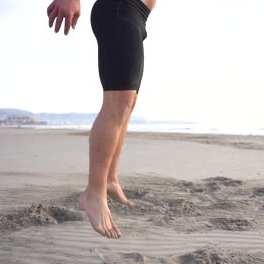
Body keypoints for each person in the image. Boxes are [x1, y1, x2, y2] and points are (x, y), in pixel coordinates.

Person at [46, 0, 156, 239]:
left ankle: (110, 180)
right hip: (119, 8)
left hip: (137, 15)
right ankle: (94, 194)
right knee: (118, 102)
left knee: (127, 104)